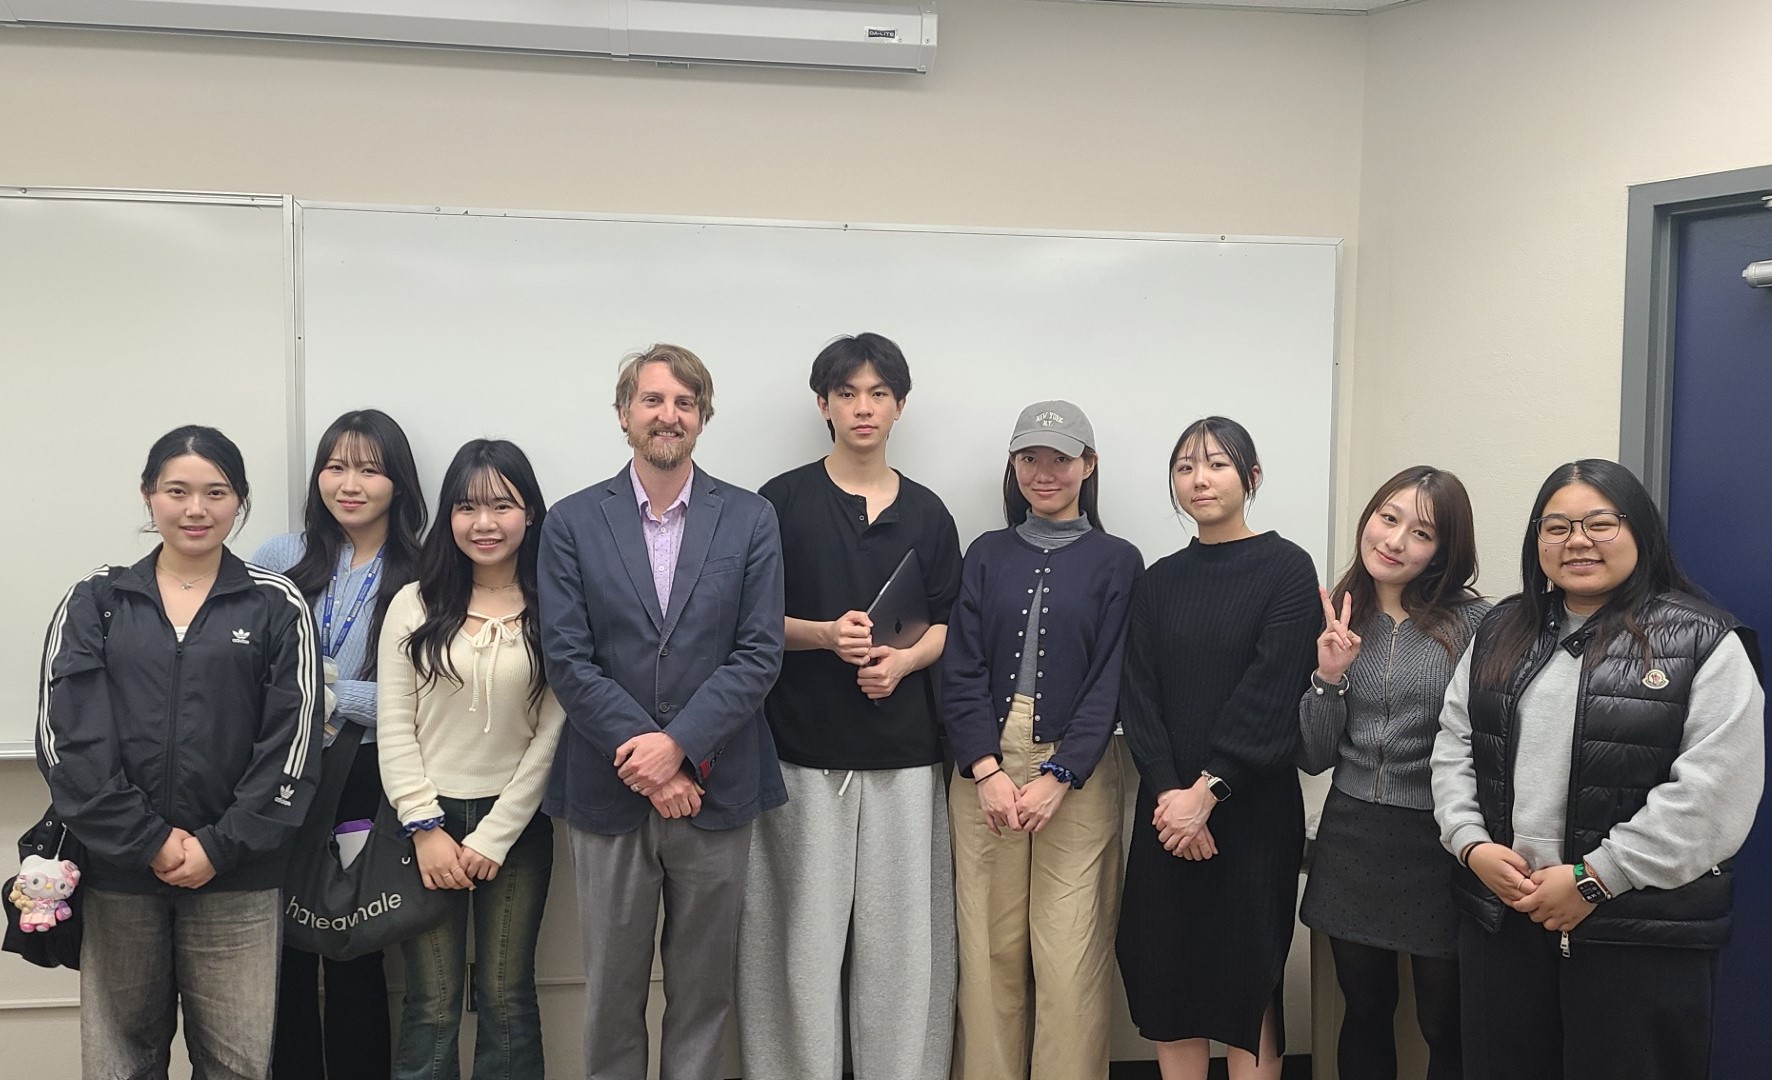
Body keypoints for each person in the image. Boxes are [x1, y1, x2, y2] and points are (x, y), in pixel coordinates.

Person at [1431, 459, 1764, 1080]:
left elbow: (1715, 792)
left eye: (1599, 523)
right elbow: (1454, 745)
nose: (1576, 541)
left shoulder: (1705, 641)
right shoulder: (1501, 628)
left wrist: (1595, 878)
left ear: (1639, 530)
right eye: (1555, 527)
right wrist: (1471, 845)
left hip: (1638, 934)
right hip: (1505, 921)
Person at [37, 425, 322, 1080]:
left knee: (234, 1065)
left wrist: (218, 846)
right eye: (178, 491)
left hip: (238, 876)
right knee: (120, 1064)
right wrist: (148, 841)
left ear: (239, 501)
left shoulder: (276, 604)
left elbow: (294, 744)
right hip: (118, 875)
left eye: (216, 492)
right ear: (149, 497)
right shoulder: (97, 601)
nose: (197, 509)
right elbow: (67, 740)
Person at [539, 343, 786, 1080]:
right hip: (607, 789)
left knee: (704, 993)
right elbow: (568, 659)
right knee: (611, 991)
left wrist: (677, 747)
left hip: (717, 789)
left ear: (703, 418)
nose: (667, 415)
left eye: (684, 403)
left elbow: (757, 653)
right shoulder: (573, 521)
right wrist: (651, 765)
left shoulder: (750, 518)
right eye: (652, 401)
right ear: (624, 416)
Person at [738, 333, 962, 1080]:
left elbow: (946, 621)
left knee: (902, 952)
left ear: (900, 405)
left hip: (903, 757)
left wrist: (903, 661)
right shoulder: (780, 501)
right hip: (801, 757)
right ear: (822, 404)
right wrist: (825, 636)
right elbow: (748, 624)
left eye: (877, 394)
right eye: (847, 393)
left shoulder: (929, 513)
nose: (862, 408)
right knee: (795, 949)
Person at [942, 400, 1143, 1080]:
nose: (1044, 471)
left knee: (1071, 955)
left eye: (1061, 457)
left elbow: (1112, 677)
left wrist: (1061, 775)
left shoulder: (1119, 560)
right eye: (1030, 457)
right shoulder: (986, 552)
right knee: (990, 951)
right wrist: (986, 769)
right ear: (1013, 466)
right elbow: (961, 665)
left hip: (1079, 772)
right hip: (985, 768)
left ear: (1089, 466)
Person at [1115, 416, 1318, 1080]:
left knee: (1246, 972)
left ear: (1251, 478)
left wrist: (1207, 793)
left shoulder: (1287, 568)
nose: (1199, 479)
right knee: (1166, 968)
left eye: (1217, 464)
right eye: (1184, 466)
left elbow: (1272, 688)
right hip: (1167, 809)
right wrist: (1173, 796)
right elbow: (1138, 694)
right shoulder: (1158, 579)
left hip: (1250, 812)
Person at [377, 439, 565, 1080]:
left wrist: (495, 835)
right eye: (466, 507)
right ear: (447, 516)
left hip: (514, 829)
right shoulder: (413, 602)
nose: (483, 523)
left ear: (531, 513)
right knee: (430, 1002)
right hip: (421, 826)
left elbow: (552, 735)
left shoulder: (554, 607)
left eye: (502, 506)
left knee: (507, 998)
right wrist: (424, 827)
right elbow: (394, 725)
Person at [1297, 466, 1487, 1080]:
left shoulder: (1474, 625)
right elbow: (1313, 755)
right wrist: (1328, 677)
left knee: (1445, 1021)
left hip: (1440, 840)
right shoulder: (1337, 616)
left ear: (1444, 550)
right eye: (1388, 517)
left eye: (1422, 532)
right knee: (1366, 1009)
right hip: (1352, 833)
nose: (1396, 540)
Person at [257, 408, 426, 1080]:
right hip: (275, 780)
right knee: (279, 954)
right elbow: (243, 672)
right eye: (335, 465)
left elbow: (422, 704)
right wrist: (329, 694)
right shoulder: (278, 558)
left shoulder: (423, 571)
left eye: (369, 468)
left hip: (365, 781)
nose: (348, 483)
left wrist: (322, 694)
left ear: (398, 482)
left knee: (352, 948)